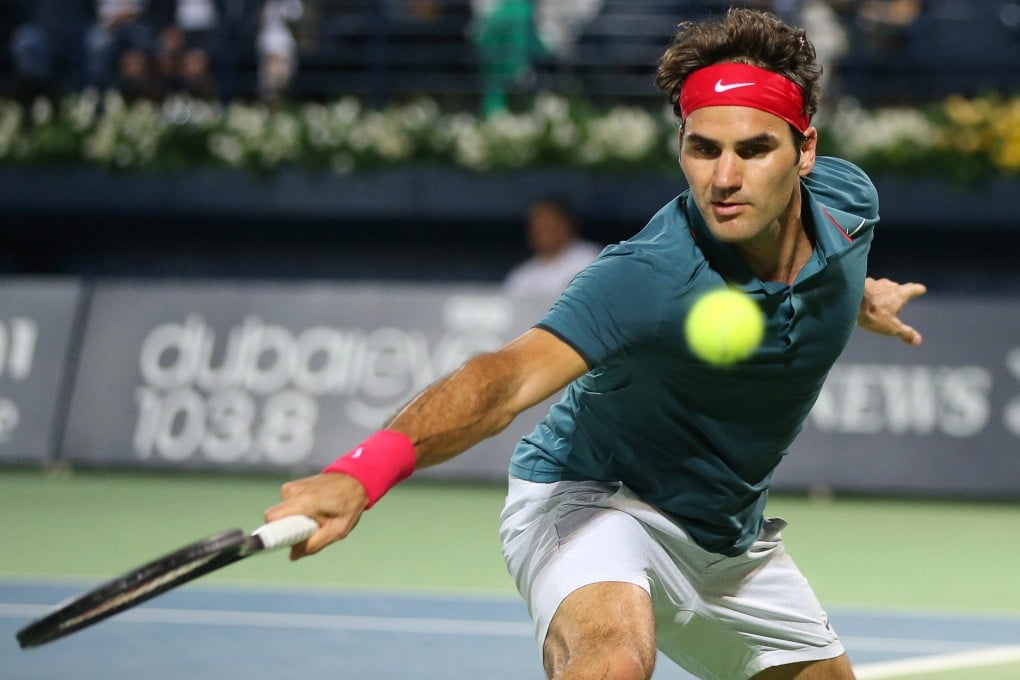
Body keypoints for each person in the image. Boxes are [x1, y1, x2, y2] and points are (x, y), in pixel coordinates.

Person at [265, 7, 927, 679]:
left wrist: (860, 300)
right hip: (595, 497)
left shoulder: (849, 203)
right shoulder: (648, 275)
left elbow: (826, 267)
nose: (724, 179)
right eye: (703, 149)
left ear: (805, 151)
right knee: (612, 661)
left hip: (727, 538)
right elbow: (505, 380)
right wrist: (363, 471)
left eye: (754, 150)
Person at [503, 196, 603, 299]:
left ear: (567, 224)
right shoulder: (521, 276)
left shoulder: (593, 260)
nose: (543, 230)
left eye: (548, 224)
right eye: (537, 226)